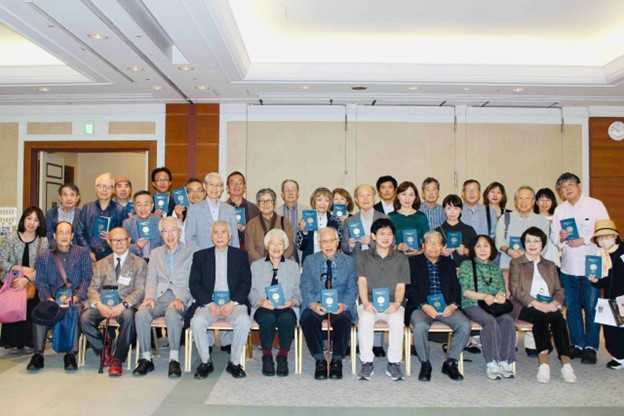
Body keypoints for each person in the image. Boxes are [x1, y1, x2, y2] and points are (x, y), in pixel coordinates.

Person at [550, 172, 609, 364]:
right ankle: (577, 344)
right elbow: (553, 239)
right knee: (573, 308)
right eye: (563, 187)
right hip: (568, 267)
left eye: (570, 185)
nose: (567, 189)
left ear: (579, 186)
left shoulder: (595, 205)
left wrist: (583, 240)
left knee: (591, 308)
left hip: (591, 265)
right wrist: (560, 237)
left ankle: (591, 346)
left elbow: (604, 231)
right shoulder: (560, 210)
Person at [509, 227, 576, 383]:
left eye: (536, 241)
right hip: (524, 305)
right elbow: (515, 290)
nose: (532, 244)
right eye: (528, 241)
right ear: (523, 243)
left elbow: (559, 290)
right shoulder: (516, 263)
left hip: (548, 305)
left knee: (559, 319)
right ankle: (543, 362)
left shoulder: (550, 265)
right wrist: (535, 303)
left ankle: (566, 364)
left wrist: (555, 303)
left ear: (542, 244)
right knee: (540, 317)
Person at [133, 217, 196, 377]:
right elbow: (151, 278)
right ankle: (146, 358)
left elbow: (193, 280)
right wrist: (149, 297)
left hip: (180, 297)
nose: (170, 235)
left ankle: (174, 359)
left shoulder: (192, 251)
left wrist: (181, 298)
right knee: (141, 313)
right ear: (161, 234)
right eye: (165, 231)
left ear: (180, 232)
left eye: (173, 230)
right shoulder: (155, 253)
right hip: (159, 297)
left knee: (172, 314)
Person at [189, 220, 252, 379]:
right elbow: (195, 284)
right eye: (215, 233)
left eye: (223, 232)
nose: (219, 236)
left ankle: (234, 362)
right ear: (211, 237)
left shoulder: (240, 255)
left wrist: (233, 303)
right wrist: (209, 304)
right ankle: (205, 362)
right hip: (209, 303)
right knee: (196, 321)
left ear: (230, 235)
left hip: (233, 303)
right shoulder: (200, 256)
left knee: (244, 321)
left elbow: (246, 283)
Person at [80, 227, 147, 376]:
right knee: (85, 318)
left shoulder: (139, 263)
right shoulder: (102, 263)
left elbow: (140, 291)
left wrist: (122, 305)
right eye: (114, 240)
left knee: (130, 317)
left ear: (128, 241)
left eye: (122, 239)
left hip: (125, 305)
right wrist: (99, 305)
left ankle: (117, 358)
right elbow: (93, 289)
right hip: (104, 304)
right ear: (109, 243)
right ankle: (104, 349)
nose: (118, 243)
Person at [406, 230, 471, 381]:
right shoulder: (413, 262)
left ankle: (451, 362)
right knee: (420, 326)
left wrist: (453, 305)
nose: (434, 246)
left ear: (442, 246)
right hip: (421, 307)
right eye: (430, 242)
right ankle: (425, 363)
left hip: (446, 307)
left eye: (438, 243)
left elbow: (456, 287)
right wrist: (424, 305)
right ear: (423, 245)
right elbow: (410, 288)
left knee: (465, 325)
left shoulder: (448, 263)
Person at [27, 221, 92, 371]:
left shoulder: (82, 253)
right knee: (39, 311)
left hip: (74, 297)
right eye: (60, 233)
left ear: (72, 236)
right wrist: (47, 298)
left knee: (74, 311)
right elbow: (41, 281)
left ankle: (70, 354)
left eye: (67, 232)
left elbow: (87, 279)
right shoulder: (44, 257)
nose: (64, 236)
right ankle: (38, 355)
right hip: (52, 299)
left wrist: (77, 297)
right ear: (55, 236)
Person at [299, 227, 358, 380]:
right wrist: (312, 304)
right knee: (308, 318)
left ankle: (337, 361)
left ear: (337, 242)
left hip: (340, 302)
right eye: (324, 241)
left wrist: (344, 305)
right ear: (320, 244)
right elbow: (304, 287)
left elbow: (353, 288)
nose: (328, 244)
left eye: (331, 240)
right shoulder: (310, 260)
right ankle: (320, 360)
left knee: (344, 319)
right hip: (317, 302)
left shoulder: (348, 261)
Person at [356, 218, 410, 381]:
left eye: (389, 234)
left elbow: (401, 286)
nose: (386, 237)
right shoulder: (363, 256)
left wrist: (397, 304)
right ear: (373, 236)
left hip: (393, 303)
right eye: (382, 234)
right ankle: (367, 362)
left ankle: (393, 363)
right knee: (365, 319)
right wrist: (365, 303)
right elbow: (362, 281)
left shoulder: (401, 258)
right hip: (369, 302)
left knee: (397, 320)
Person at [458, 235, 516, 380]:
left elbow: (501, 288)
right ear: (473, 249)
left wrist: (501, 295)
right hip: (473, 304)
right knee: (490, 321)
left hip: (494, 306)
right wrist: (484, 296)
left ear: (491, 249)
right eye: (478, 246)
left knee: (508, 320)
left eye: (486, 246)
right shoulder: (466, 265)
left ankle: (505, 361)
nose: (482, 249)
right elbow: (465, 291)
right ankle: (492, 362)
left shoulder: (495, 268)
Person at [341, 184, 389, 357]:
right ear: (356, 200)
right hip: (356, 264)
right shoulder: (350, 220)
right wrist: (350, 244)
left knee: (376, 300)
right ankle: (351, 341)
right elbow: (344, 246)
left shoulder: (383, 218)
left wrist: (372, 241)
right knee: (354, 301)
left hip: (378, 265)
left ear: (374, 197)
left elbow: (391, 243)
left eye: (369, 195)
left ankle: (377, 344)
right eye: (361, 195)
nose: (365, 198)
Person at [249, 229, 301, 376]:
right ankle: (267, 356)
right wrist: (260, 301)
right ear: (267, 246)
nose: (276, 247)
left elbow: (298, 291)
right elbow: (250, 290)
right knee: (267, 318)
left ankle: (282, 355)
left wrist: (292, 302)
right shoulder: (256, 265)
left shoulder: (293, 266)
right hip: (263, 306)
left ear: (285, 246)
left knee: (286, 319)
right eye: (273, 243)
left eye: (280, 243)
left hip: (285, 306)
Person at [0, 206, 48, 353]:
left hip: (32, 282)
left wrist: (27, 279)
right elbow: (2, 261)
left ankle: (28, 342)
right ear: (23, 219)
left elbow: (44, 265)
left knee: (29, 311)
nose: (32, 223)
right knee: (13, 308)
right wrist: (21, 269)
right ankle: (12, 342)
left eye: (36, 219)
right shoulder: (11, 238)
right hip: (12, 281)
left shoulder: (43, 241)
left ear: (40, 223)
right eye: (29, 218)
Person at [588, 219, 624, 369]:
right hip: (609, 299)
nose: (604, 240)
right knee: (610, 330)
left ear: (615, 236)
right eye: (600, 237)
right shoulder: (600, 255)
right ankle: (620, 357)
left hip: (623, 298)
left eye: (607, 236)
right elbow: (602, 282)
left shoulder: (623, 251)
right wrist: (594, 281)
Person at [75, 173, 128, 262]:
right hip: (88, 256)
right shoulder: (87, 208)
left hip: (112, 256)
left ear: (113, 190)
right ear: (95, 188)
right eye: (101, 186)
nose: (104, 190)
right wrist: (89, 252)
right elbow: (79, 232)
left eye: (108, 187)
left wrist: (113, 236)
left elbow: (125, 234)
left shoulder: (121, 210)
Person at [496, 186, 549, 269]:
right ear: (516, 201)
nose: (523, 202)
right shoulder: (505, 218)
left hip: (532, 267)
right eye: (520, 198)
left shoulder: (542, 221)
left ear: (533, 201)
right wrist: (510, 252)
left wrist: (526, 255)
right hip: (508, 266)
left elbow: (544, 247)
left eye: (527, 198)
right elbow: (499, 242)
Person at [184, 172, 240, 249]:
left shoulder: (230, 210)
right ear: (205, 186)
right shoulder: (193, 210)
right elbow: (189, 238)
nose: (214, 188)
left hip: (226, 257)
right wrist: (199, 256)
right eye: (211, 185)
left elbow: (234, 239)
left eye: (217, 185)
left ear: (222, 188)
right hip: (202, 257)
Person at [244, 188, 295, 264]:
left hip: (281, 265)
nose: (265, 204)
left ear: (274, 203)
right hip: (259, 266)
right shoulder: (251, 224)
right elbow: (250, 249)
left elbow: (290, 246)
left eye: (268, 201)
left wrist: (278, 262)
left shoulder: (284, 221)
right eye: (262, 201)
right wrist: (264, 263)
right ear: (258, 204)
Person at [296, 187, 343, 265]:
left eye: (326, 201)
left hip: (331, 261)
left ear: (330, 203)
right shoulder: (306, 218)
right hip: (310, 261)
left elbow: (339, 244)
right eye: (319, 200)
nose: (322, 203)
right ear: (314, 201)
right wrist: (304, 232)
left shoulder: (336, 221)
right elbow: (300, 246)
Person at [434, 194, 477, 268]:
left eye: (456, 208)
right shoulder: (436, 232)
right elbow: (429, 254)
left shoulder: (469, 230)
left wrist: (465, 251)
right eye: (449, 208)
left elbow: (478, 253)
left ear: (461, 210)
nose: (452, 212)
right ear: (444, 209)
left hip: (466, 272)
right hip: (443, 271)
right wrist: (441, 252)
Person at [389, 181, 429, 256]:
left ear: (415, 197)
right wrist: (397, 247)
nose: (407, 198)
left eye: (411, 195)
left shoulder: (421, 217)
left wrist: (419, 251)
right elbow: (385, 242)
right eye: (404, 194)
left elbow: (428, 241)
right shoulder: (390, 217)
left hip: (417, 259)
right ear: (398, 196)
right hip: (396, 259)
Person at [122, 190, 164, 261]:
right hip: (135, 262)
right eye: (139, 205)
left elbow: (165, 244)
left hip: (157, 261)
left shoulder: (160, 221)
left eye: (146, 204)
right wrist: (137, 246)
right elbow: (123, 247)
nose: (143, 208)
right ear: (134, 207)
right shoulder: (128, 223)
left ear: (152, 206)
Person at [276, 179, 309, 264]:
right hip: (281, 254)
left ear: (298, 194)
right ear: (282, 194)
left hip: (302, 255)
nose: (290, 193)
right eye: (287, 190)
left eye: (293, 190)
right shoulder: (275, 213)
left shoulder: (308, 212)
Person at [226, 171, 259, 251]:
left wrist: (247, 231)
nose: (236, 186)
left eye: (240, 183)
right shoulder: (222, 208)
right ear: (227, 188)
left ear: (244, 187)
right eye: (233, 183)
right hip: (228, 249)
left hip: (249, 250)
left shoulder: (254, 208)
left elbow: (258, 232)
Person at [45, 183, 81, 249]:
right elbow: (48, 236)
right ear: (60, 198)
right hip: (55, 252)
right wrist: (61, 249)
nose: (69, 198)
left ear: (77, 198)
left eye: (72, 195)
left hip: (76, 254)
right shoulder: (51, 213)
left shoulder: (82, 214)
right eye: (65, 195)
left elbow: (83, 237)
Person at [534, 188, 561, 267]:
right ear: (536, 202)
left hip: (554, 253)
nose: (545, 203)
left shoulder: (557, 218)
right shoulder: (533, 218)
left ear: (552, 202)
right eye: (542, 200)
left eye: (548, 200)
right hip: (537, 253)